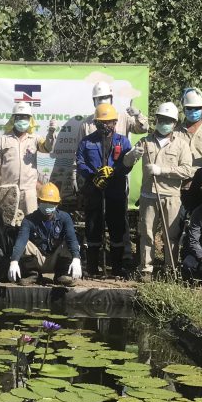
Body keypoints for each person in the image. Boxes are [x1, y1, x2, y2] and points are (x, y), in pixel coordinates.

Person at [123, 102, 193, 281]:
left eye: (168, 120)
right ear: (156, 120)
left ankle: (170, 269)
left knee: (171, 235)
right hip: (148, 195)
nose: (164, 123)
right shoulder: (145, 141)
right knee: (146, 233)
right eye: (161, 119)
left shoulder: (182, 145)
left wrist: (162, 170)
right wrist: (134, 154)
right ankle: (146, 269)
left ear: (175, 123)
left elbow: (186, 170)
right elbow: (126, 162)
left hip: (171, 196)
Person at [76, 103, 132, 278]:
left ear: (115, 122)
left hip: (115, 191)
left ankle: (116, 268)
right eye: (101, 121)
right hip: (93, 191)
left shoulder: (123, 141)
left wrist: (114, 172)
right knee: (93, 227)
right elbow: (80, 162)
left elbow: (128, 164)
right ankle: (92, 268)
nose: (105, 125)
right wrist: (94, 176)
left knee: (117, 228)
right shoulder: (87, 141)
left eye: (108, 122)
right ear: (96, 122)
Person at [7, 182, 81, 286]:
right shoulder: (28, 220)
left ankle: (62, 275)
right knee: (25, 245)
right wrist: (14, 261)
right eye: (44, 201)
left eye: (52, 203)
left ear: (57, 204)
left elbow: (72, 239)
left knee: (70, 244)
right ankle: (32, 274)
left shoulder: (65, 218)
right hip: (37, 258)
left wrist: (76, 258)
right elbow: (21, 241)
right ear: (38, 201)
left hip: (56, 257)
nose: (48, 205)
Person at [0, 101, 56, 214]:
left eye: (25, 117)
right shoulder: (2, 140)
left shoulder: (35, 139)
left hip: (29, 192)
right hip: (7, 191)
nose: (22, 119)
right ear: (13, 119)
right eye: (19, 117)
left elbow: (47, 148)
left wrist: (50, 133)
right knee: (7, 226)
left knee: (30, 225)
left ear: (30, 120)